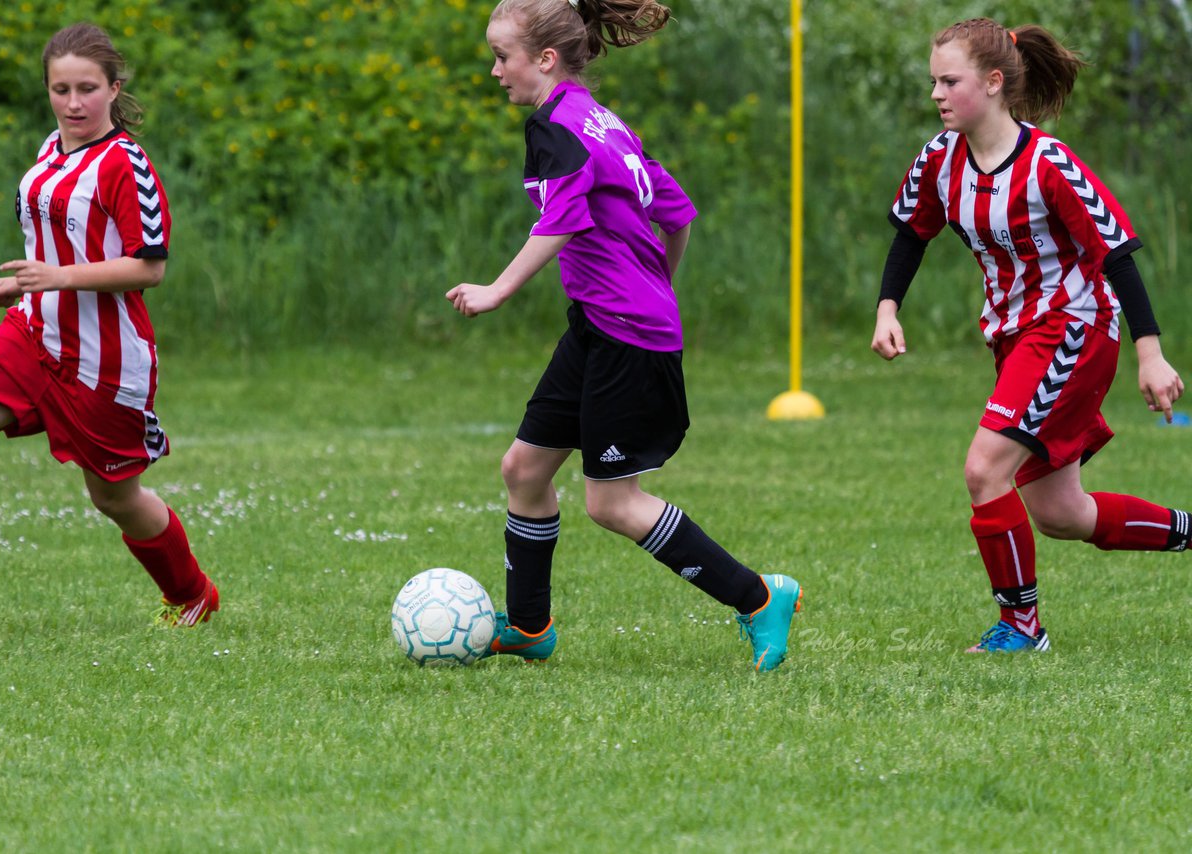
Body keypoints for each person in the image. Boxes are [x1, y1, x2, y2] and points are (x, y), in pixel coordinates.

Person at [446, 0, 801, 672]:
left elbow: (562, 219)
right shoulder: (600, 120)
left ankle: (758, 597)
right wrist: (656, 284)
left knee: (612, 503)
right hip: (603, 323)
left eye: (503, 56)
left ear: (544, 59)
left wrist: (497, 289)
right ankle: (528, 626)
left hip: (628, 335)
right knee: (523, 471)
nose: (496, 71)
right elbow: (678, 214)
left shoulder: (555, 126)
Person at [872, 18, 1186, 652]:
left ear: (992, 83)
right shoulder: (939, 157)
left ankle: (1021, 628)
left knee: (984, 469)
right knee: (1061, 513)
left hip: (1073, 327)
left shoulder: (1050, 165)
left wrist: (1149, 354)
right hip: (1014, 338)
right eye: (932, 80)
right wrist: (887, 308)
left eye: (949, 81)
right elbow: (911, 233)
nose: (936, 93)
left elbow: (1117, 253)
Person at [0, 23, 218, 634]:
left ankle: (193, 594)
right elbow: (53, 243)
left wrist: (58, 277)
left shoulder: (126, 164)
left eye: (86, 88)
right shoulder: (50, 149)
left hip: (102, 360)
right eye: (60, 89)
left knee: (114, 498)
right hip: (30, 335)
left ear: (113, 88)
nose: (73, 103)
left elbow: (148, 268)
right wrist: (25, 284)